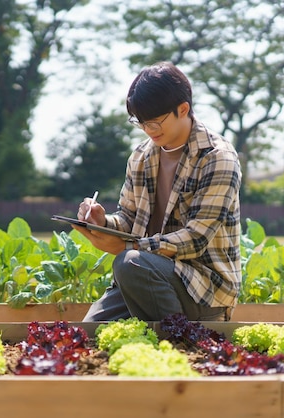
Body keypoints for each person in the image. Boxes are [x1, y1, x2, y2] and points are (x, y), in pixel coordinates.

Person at [72, 61, 242, 322]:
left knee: (128, 263)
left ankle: (187, 340)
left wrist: (128, 246)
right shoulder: (141, 156)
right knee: (90, 330)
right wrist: (102, 222)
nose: (148, 130)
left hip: (203, 289)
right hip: (146, 275)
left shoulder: (217, 157)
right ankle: (165, 332)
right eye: (140, 123)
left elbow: (196, 238)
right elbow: (128, 219)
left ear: (183, 109)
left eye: (154, 123)